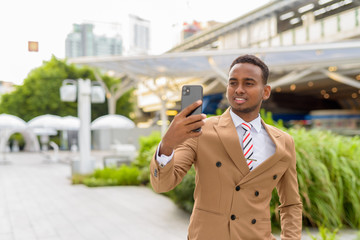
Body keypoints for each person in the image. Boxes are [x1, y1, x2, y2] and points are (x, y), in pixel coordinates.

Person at [150, 54, 302, 240]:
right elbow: (163, 184)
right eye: (232, 83)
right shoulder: (200, 131)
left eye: (248, 83)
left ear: (266, 91)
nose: (238, 90)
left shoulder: (284, 142)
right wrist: (167, 144)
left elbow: (291, 204)